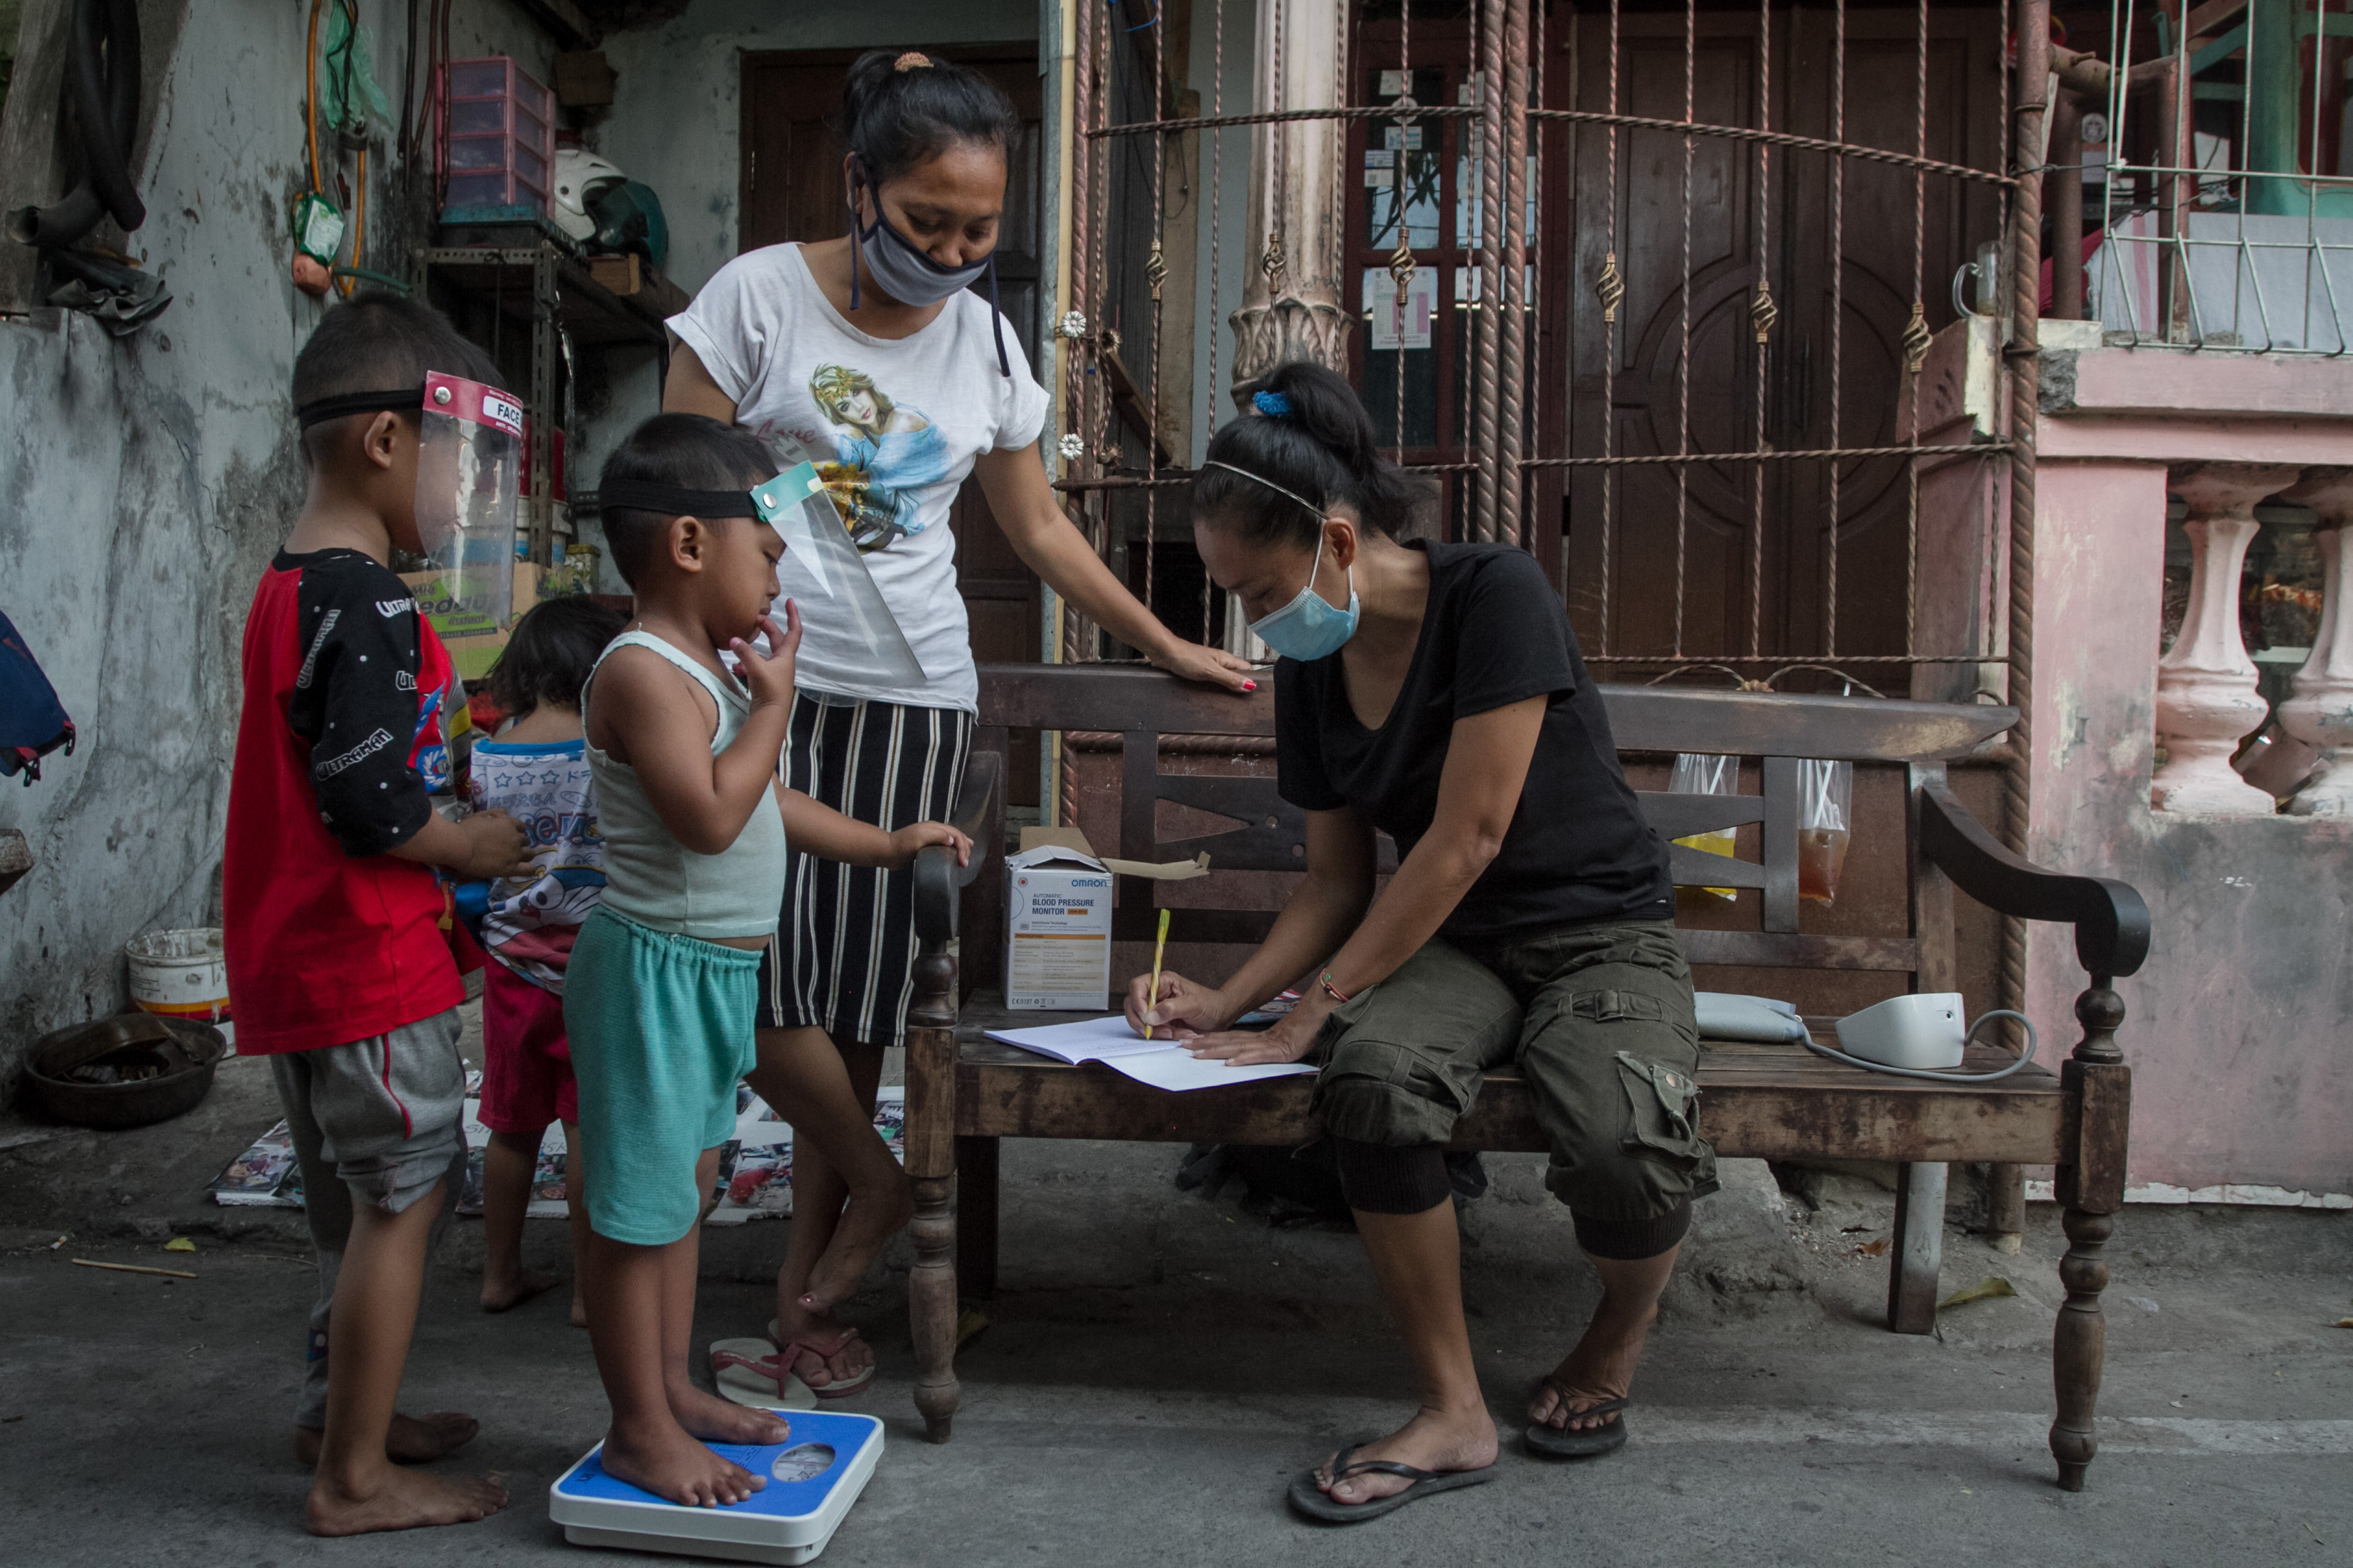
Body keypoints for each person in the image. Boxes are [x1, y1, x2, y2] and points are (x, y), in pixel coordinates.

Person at [662, 46, 1254, 1394]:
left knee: (851, 1012)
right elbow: (671, 490)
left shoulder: (984, 337)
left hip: (919, 693)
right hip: (767, 688)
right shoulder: (757, 298)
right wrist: (671, 656)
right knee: (746, 982)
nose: (952, 249)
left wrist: (1163, 638)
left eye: (978, 228)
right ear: (858, 184)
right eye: (927, 220)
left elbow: (1034, 522)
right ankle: (881, 1187)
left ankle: (807, 1310)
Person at [1125, 362, 1715, 1523]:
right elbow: (1338, 881)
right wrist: (1232, 997)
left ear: (1338, 542)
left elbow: (1466, 838)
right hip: (1455, 946)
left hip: (1600, 931)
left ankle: (1615, 1331)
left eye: (1258, 589)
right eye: (1232, 597)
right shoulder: (1310, 670)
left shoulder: (1496, 593)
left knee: (1621, 1137)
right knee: (1374, 1079)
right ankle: (1452, 1412)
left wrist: (1310, 1009)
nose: (1252, 621)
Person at [568, 414, 969, 1505]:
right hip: (651, 975)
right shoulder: (645, 672)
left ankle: (668, 1391)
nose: (781, 565)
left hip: (710, 980)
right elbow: (707, 817)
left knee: (683, 1198)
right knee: (634, 1215)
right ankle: (637, 1427)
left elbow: (767, 804)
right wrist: (775, 707)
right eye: (770, 545)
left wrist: (887, 843)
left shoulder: (714, 674)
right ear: (691, 546)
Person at [221, 291, 526, 1536]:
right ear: (390, 443)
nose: (467, 500)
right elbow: (368, 807)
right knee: (405, 1193)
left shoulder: (292, 586)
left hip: (296, 958)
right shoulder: (374, 601)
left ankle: (340, 1410)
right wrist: (475, 841)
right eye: (465, 463)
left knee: (355, 1207)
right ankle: (353, 1477)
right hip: (364, 958)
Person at [466, 595, 629, 1323]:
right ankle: (591, 1294)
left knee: (510, 1124)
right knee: (585, 1128)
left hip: (509, 966)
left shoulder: (488, 752)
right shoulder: (603, 749)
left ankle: (499, 1272)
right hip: (592, 967)